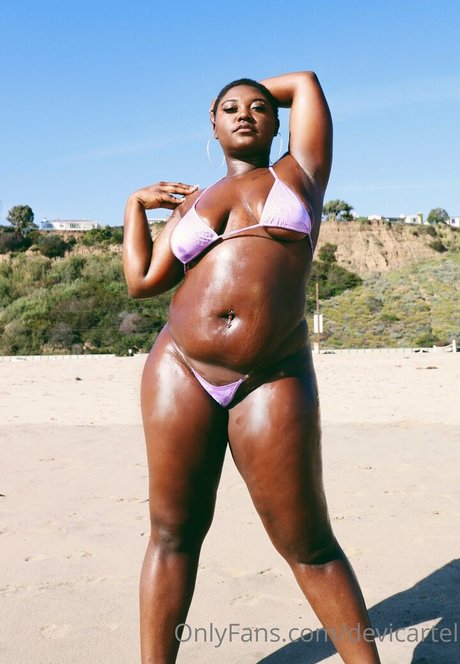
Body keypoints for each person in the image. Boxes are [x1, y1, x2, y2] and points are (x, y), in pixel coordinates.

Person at [123, 71, 381, 664]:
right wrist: (134, 204)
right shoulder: (191, 204)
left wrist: (232, 89)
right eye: (230, 109)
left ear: (277, 122)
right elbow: (142, 281)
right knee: (172, 533)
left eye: (259, 107)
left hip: (273, 370)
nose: (245, 114)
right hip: (179, 365)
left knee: (307, 540)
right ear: (212, 128)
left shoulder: (301, 173)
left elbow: (306, 83)